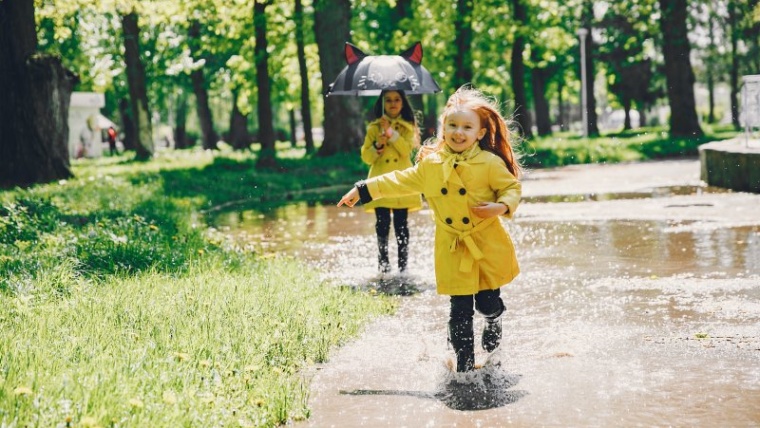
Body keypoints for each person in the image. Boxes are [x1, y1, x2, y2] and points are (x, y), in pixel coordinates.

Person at [338, 87, 523, 372]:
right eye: (452, 125)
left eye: (466, 127)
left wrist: (500, 207)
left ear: (480, 133)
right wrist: (363, 189)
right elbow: (398, 180)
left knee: (487, 302)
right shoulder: (431, 165)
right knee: (459, 308)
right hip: (452, 245)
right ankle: (463, 371)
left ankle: (494, 319)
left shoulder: (488, 163)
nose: (458, 132)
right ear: (442, 128)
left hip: (485, 244)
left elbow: (510, 187)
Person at [359, 90, 422, 274]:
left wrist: (391, 133)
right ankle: (383, 264)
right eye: (388, 100)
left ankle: (403, 266)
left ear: (403, 103)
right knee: (382, 223)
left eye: (397, 100)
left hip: (401, 180)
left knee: (401, 224)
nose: (393, 104)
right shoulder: (373, 128)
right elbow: (366, 157)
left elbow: (405, 151)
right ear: (382, 104)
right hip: (379, 179)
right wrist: (378, 145)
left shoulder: (408, 127)